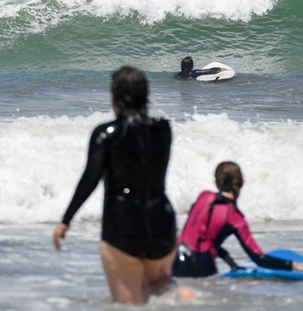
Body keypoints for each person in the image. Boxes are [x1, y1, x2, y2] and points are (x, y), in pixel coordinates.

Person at [53, 66, 177, 305]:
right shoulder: (164, 130)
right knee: (161, 292)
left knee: (129, 305)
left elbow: (90, 179)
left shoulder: (106, 134)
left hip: (123, 226)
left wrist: (65, 220)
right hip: (162, 224)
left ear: (115, 96)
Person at [173, 161, 303, 277]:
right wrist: (293, 265)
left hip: (176, 259)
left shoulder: (203, 197)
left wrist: (230, 262)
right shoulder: (235, 218)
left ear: (216, 183)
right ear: (242, 183)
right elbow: (259, 258)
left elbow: (199, 237)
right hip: (202, 266)